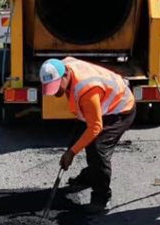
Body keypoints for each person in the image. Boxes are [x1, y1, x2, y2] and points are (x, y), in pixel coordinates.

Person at [39, 56, 136, 214]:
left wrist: (71, 153)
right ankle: (90, 176)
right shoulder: (62, 66)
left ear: (65, 76)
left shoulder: (87, 90)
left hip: (120, 109)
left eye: (56, 87)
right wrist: (71, 149)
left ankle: (101, 199)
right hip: (101, 106)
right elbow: (85, 122)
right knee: (82, 140)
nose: (56, 92)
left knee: (98, 149)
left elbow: (95, 127)